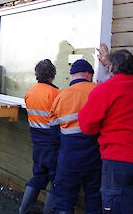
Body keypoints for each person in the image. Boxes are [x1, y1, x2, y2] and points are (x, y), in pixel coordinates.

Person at [79, 49, 133, 214]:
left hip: (119, 161)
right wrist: (110, 62)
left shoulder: (103, 90)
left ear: (111, 68)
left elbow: (86, 126)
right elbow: (123, 83)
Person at [49, 59, 102, 214]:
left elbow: (53, 134)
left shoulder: (60, 97)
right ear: (88, 74)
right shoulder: (99, 91)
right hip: (95, 158)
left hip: (69, 159)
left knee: (64, 201)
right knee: (94, 199)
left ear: (72, 75)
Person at [20, 59, 61, 214]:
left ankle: (23, 210)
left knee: (38, 177)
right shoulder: (56, 94)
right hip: (53, 146)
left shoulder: (29, 93)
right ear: (53, 74)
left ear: (37, 74)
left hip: (37, 144)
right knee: (56, 182)